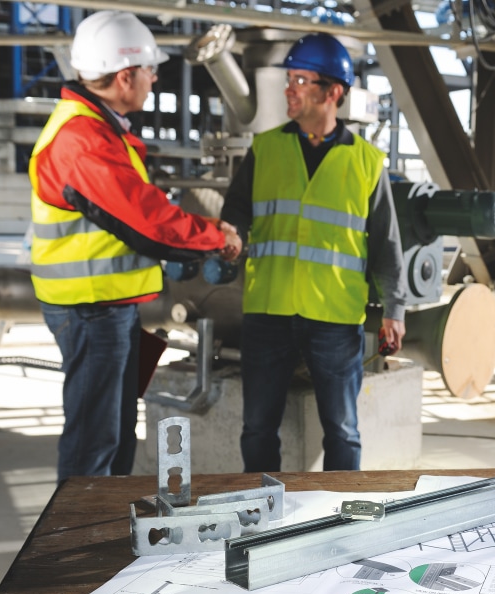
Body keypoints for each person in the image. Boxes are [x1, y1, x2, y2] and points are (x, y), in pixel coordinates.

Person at [29, 11, 241, 483]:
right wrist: (215, 238)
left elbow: (138, 208)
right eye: (149, 69)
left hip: (109, 306)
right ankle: (78, 528)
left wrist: (207, 228)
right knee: (93, 445)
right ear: (124, 76)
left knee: (119, 435)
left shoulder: (100, 128)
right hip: (90, 310)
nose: (154, 78)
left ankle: (109, 521)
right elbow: (148, 224)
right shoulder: (83, 139)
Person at [220, 33, 409, 472]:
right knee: (257, 428)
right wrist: (232, 235)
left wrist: (394, 310)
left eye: (301, 81)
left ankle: (339, 509)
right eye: (289, 79)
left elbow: (385, 243)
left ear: (333, 92)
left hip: (335, 317)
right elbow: (236, 211)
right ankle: (261, 506)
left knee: (342, 431)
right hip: (269, 309)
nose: (289, 89)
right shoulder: (265, 148)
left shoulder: (367, 162)